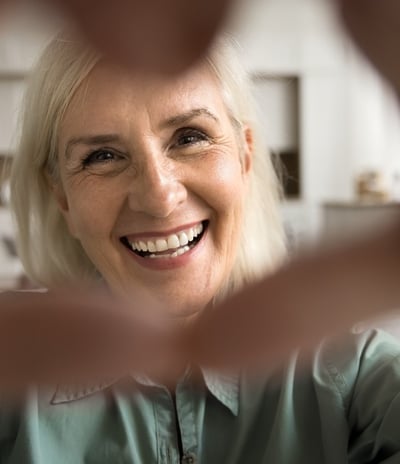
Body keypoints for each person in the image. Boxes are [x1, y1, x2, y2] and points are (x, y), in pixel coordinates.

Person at [2, 30, 400, 463]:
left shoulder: (356, 372)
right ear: (62, 197)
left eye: (190, 137)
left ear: (245, 158)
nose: (158, 196)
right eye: (102, 156)